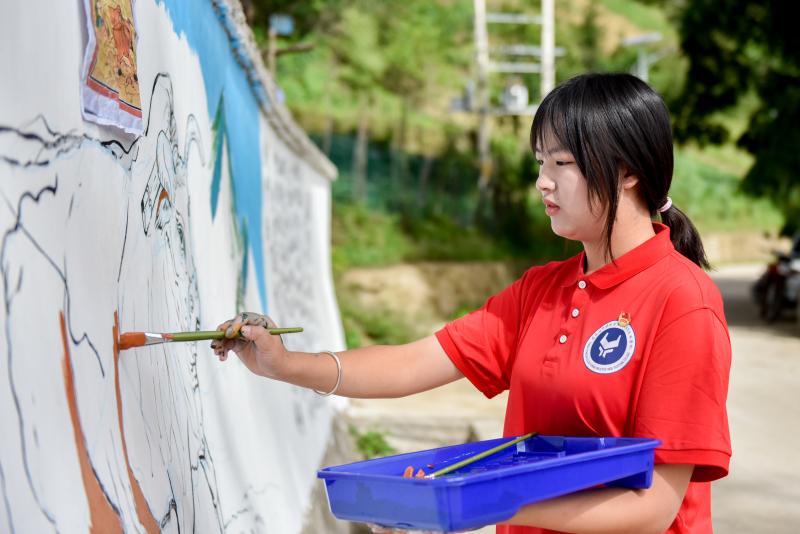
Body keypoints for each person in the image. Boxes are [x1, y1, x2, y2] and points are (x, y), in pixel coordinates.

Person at [211, 73, 732, 534]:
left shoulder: (682, 301)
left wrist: (482, 501)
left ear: (627, 171)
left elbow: (653, 509)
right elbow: (414, 362)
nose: (543, 181)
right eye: (540, 162)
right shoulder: (541, 290)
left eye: (562, 162)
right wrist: (284, 365)